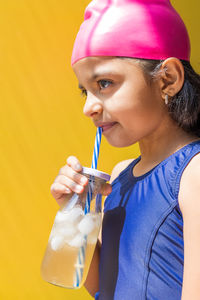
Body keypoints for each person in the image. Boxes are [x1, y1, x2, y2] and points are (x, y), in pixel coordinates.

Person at [51, 0, 200, 299]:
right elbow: (102, 285)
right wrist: (76, 210)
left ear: (167, 79)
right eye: (85, 90)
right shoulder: (118, 176)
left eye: (104, 83)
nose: (88, 107)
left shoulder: (193, 174)